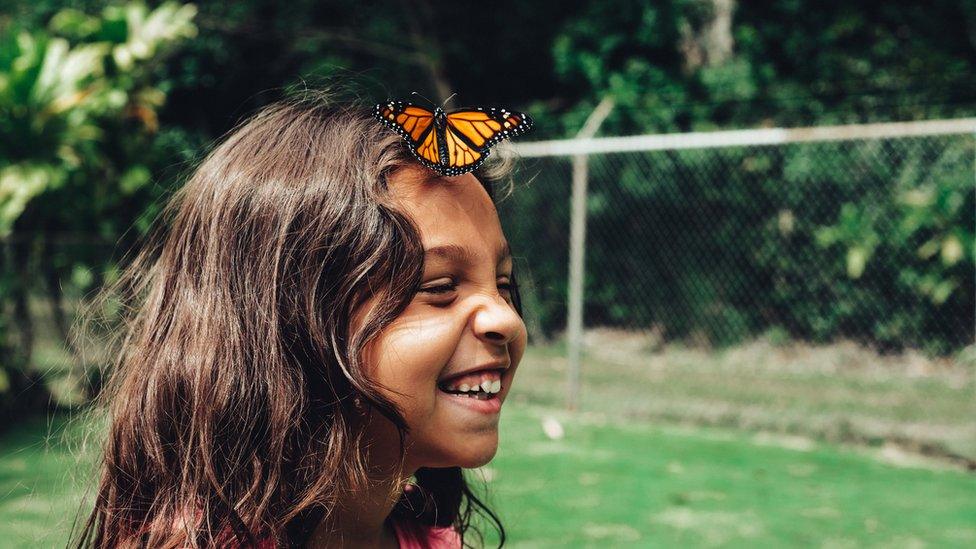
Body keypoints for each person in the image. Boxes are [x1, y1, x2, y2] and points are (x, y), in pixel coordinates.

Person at [71, 88, 528, 548]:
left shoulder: (433, 540)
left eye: (503, 285)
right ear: (288, 323)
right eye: (440, 288)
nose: (504, 319)